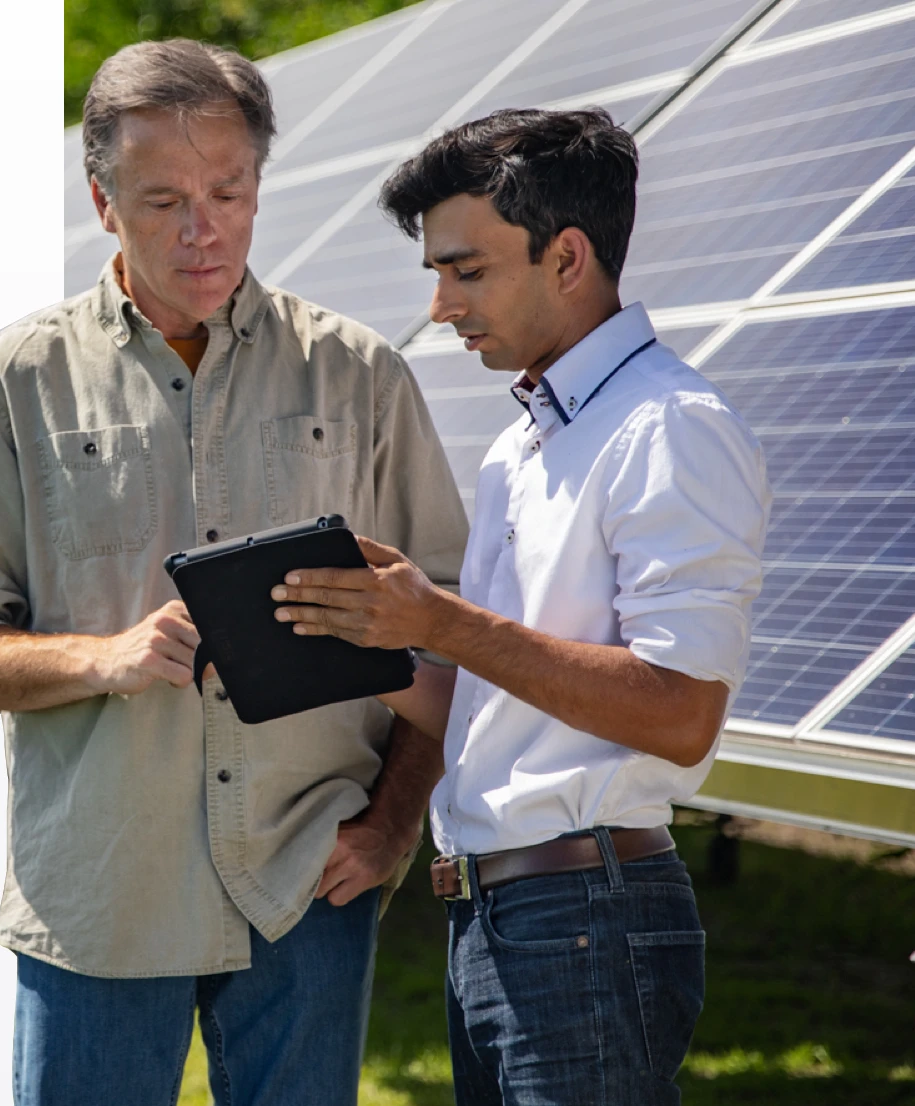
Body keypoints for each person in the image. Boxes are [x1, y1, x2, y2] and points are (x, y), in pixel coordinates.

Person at [0, 39, 467, 1106]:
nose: (203, 229)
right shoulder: (8, 384)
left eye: (228, 191)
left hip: (308, 888)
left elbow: (450, 630)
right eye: (163, 200)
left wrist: (389, 827)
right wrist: (100, 657)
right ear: (103, 203)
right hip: (103, 894)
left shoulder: (360, 373)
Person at [270, 108, 771, 1105]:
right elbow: (503, 708)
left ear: (567, 257)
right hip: (502, 917)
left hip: (587, 916)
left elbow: (679, 713)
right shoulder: (524, 445)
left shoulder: (669, 428)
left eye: (465, 270)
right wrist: (358, 634)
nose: (441, 305)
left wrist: (444, 622)